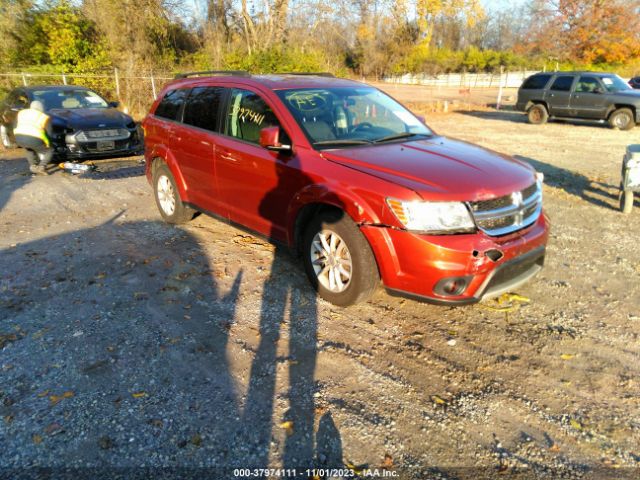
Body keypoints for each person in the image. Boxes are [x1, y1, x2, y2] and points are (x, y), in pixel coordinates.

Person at [14, 100, 53, 175]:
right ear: (41, 108)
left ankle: (33, 167)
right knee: (49, 151)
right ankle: (42, 167)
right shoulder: (44, 116)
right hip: (34, 138)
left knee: (29, 149)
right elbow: (49, 133)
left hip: (19, 136)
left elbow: (15, 125)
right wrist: (49, 143)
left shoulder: (21, 113)